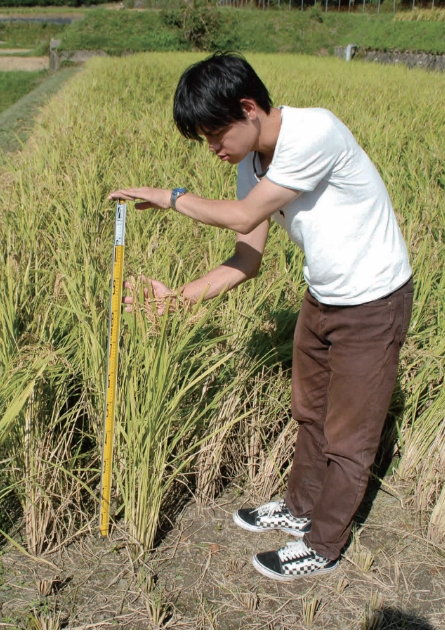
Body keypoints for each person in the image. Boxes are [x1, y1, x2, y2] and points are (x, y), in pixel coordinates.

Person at [108, 52, 413, 581]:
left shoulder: (315, 131)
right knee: (310, 412)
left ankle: (323, 544)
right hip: (323, 295)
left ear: (248, 109)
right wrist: (178, 299)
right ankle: (299, 510)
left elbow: (245, 214)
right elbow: (245, 259)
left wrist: (170, 197)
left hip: (373, 303)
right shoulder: (252, 165)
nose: (213, 150)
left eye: (214, 135)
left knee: (349, 436)